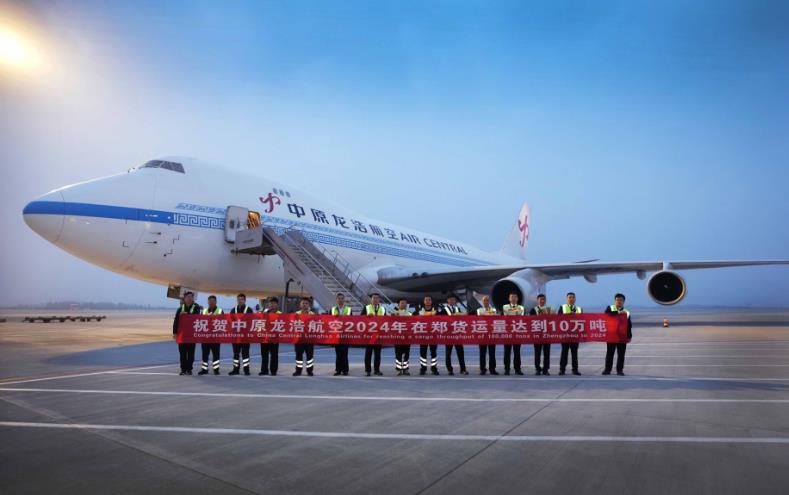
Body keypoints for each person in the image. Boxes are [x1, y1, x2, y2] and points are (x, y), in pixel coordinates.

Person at [172, 291, 202, 375]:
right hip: (182, 335)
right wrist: (175, 333)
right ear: (184, 299)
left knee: (191, 353)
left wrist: (186, 314)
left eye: (191, 297)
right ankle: (183, 369)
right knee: (182, 353)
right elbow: (176, 321)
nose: (189, 298)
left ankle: (189, 369)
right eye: (188, 297)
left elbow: (196, 316)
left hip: (191, 335)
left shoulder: (196, 307)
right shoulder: (180, 309)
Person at [603, 293, 633, 376]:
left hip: (622, 336)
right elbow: (606, 316)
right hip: (612, 335)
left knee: (621, 354)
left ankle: (620, 370)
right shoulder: (610, 308)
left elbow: (629, 325)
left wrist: (629, 336)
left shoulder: (626, 312)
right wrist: (618, 313)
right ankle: (607, 369)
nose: (619, 301)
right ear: (615, 301)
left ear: (624, 301)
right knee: (610, 353)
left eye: (621, 300)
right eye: (617, 300)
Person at [229, 293, 254, 376]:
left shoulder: (249, 310)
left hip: (245, 337)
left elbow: (251, 322)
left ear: (245, 300)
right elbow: (230, 322)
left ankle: (246, 370)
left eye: (242, 299)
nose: (240, 301)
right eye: (238, 299)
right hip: (236, 336)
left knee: (245, 354)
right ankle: (235, 369)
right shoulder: (233, 310)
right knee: (236, 354)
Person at [442, 294, 468, 375]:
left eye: (453, 300)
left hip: (457, 334)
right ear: (447, 300)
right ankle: (449, 369)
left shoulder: (458, 309)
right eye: (451, 299)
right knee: (448, 353)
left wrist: (463, 315)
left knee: (460, 352)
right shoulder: (443, 310)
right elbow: (441, 320)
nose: (452, 301)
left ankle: (463, 369)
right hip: (448, 334)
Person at [558, 292, 582, 376]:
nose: (571, 299)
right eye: (569, 297)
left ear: (575, 299)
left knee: (574, 353)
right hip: (565, 334)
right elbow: (558, 319)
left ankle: (575, 370)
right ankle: (562, 370)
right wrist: (569, 316)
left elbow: (582, 321)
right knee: (564, 352)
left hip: (575, 335)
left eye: (573, 297)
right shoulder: (562, 307)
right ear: (567, 299)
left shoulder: (579, 309)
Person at [198, 295, 222, 375]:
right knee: (205, 354)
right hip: (205, 337)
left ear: (216, 302)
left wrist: (214, 317)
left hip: (215, 337)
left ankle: (216, 369)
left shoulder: (220, 311)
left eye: (213, 301)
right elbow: (200, 321)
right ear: (208, 302)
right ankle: (204, 369)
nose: (211, 302)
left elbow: (223, 321)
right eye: (210, 301)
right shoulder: (204, 311)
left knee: (216, 354)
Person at [363, 293, 386, 376]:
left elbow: (386, 320)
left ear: (379, 300)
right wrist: (367, 316)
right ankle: (368, 370)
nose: (375, 299)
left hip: (379, 334)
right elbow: (360, 319)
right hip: (369, 335)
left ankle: (377, 370)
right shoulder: (366, 308)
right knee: (368, 353)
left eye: (377, 298)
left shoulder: (383, 309)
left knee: (377, 354)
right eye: (374, 298)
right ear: (371, 299)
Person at [529, 294, 552, 375]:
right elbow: (530, 322)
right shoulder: (533, 310)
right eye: (540, 299)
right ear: (537, 300)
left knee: (547, 353)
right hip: (537, 335)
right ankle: (537, 368)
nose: (542, 301)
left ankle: (546, 369)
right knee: (537, 353)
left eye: (543, 299)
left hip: (546, 335)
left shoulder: (549, 310)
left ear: (545, 300)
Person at [502, 292, 525, 375]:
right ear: (509, 299)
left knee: (517, 352)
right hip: (508, 332)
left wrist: (512, 314)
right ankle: (507, 369)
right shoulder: (505, 307)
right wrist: (514, 314)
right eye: (512, 297)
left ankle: (517, 369)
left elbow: (521, 317)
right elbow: (505, 317)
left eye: (515, 297)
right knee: (507, 352)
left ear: (517, 299)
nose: (513, 298)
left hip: (517, 332)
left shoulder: (521, 307)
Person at [293, 297, 316, 376]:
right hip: (299, 339)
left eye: (306, 303)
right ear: (300, 304)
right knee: (298, 356)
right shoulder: (296, 314)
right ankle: (298, 371)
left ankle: (310, 371)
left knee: (310, 356)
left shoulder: (312, 314)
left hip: (309, 339)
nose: (304, 305)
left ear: (309, 305)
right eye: (303, 303)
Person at [417, 295, 440, 375]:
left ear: (431, 301)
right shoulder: (420, 311)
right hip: (423, 334)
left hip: (433, 334)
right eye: (426, 300)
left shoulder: (436, 311)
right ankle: (423, 368)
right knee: (423, 352)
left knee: (433, 352)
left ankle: (434, 368)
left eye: (429, 300)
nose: (427, 301)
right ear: (423, 301)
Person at [330, 293, 352, 376]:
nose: (340, 300)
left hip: (345, 334)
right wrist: (334, 318)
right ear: (336, 300)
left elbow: (352, 320)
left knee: (345, 353)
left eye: (342, 298)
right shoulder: (332, 309)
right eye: (339, 298)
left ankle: (345, 370)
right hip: (336, 334)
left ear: (344, 300)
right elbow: (328, 321)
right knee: (338, 353)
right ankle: (338, 370)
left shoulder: (349, 309)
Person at [476, 295, 498, 375]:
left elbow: (494, 318)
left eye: (487, 300)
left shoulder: (494, 310)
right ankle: (482, 369)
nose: (486, 302)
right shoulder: (479, 310)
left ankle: (492, 369)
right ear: (482, 302)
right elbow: (481, 317)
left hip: (491, 333)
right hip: (482, 333)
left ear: (489, 301)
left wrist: (488, 315)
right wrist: (489, 315)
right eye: (484, 300)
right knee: (482, 353)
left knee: (492, 353)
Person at [259, 296, 281, 376]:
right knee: (264, 355)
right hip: (265, 337)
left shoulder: (280, 314)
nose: (272, 305)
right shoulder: (264, 312)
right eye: (271, 303)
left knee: (274, 355)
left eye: (274, 303)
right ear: (268, 304)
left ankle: (273, 371)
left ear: (277, 305)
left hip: (274, 338)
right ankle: (264, 370)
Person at [391, 297, 412, 375]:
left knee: (407, 353)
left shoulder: (409, 313)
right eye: (402, 303)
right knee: (398, 353)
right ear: (398, 304)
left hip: (407, 336)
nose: (404, 304)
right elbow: (390, 323)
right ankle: (399, 369)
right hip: (397, 336)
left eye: (405, 303)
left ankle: (406, 369)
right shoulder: (394, 313)